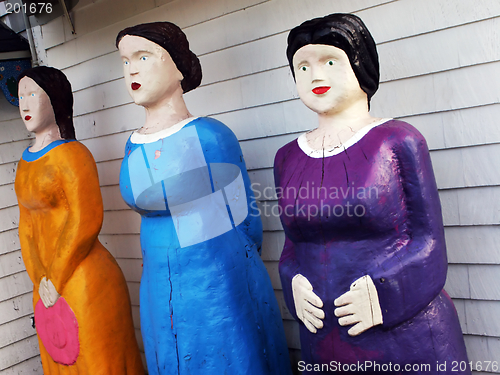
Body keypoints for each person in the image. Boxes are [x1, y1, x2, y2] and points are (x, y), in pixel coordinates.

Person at [274, 13, 470, 374]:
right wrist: (293, 284)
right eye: (302, 67)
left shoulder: (398, 141)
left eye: (330, 62)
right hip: (324, 339)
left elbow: (429, 242)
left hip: (405, 338)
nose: (315, 76)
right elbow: (292, 245)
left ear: (360, 64)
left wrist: (385, 293)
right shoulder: (287, 158)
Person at [116, 22, 291, 375]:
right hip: (158, 284)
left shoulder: (209, 135)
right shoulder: (133, 145)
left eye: (144, 56)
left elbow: (246, 221)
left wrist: (225, 270)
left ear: (178, 67)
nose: (131, 68)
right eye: (124, 60)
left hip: (215, 279)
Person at [15, 66, 143, 374]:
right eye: (20, 96)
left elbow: (86, 219)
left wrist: (55, 277)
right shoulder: (23, 163)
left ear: (55, 100)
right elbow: (26, 226)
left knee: (99, 361)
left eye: (33, 94)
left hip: (82, 278)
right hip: (45, 284)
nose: (25, 104)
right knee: (59, 363)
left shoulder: (74, 155)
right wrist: (38, 279)